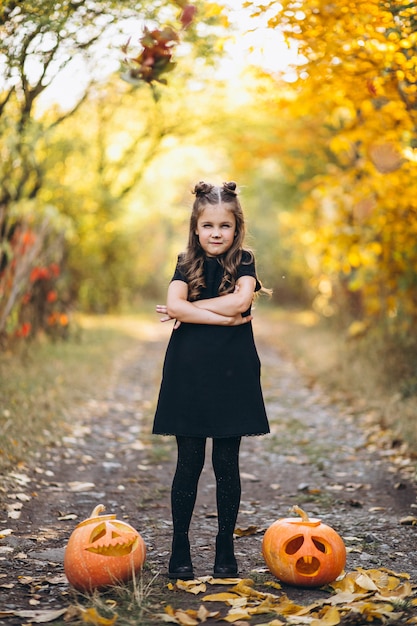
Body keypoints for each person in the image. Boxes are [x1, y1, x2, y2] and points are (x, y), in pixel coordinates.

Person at [152, 180, 270, 580]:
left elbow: (240, 301)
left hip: (232, 371)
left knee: (226, 463)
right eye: (208, 226)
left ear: (236, 228)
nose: (216, 233)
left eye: (224, 226)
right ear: (196, 227)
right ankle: (179, 547)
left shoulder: (246, 261)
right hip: (188, 370)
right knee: (188, 463)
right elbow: (173, 304)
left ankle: (225, 548)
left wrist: (189, 309)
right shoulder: (185, 261)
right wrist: (220, 316)